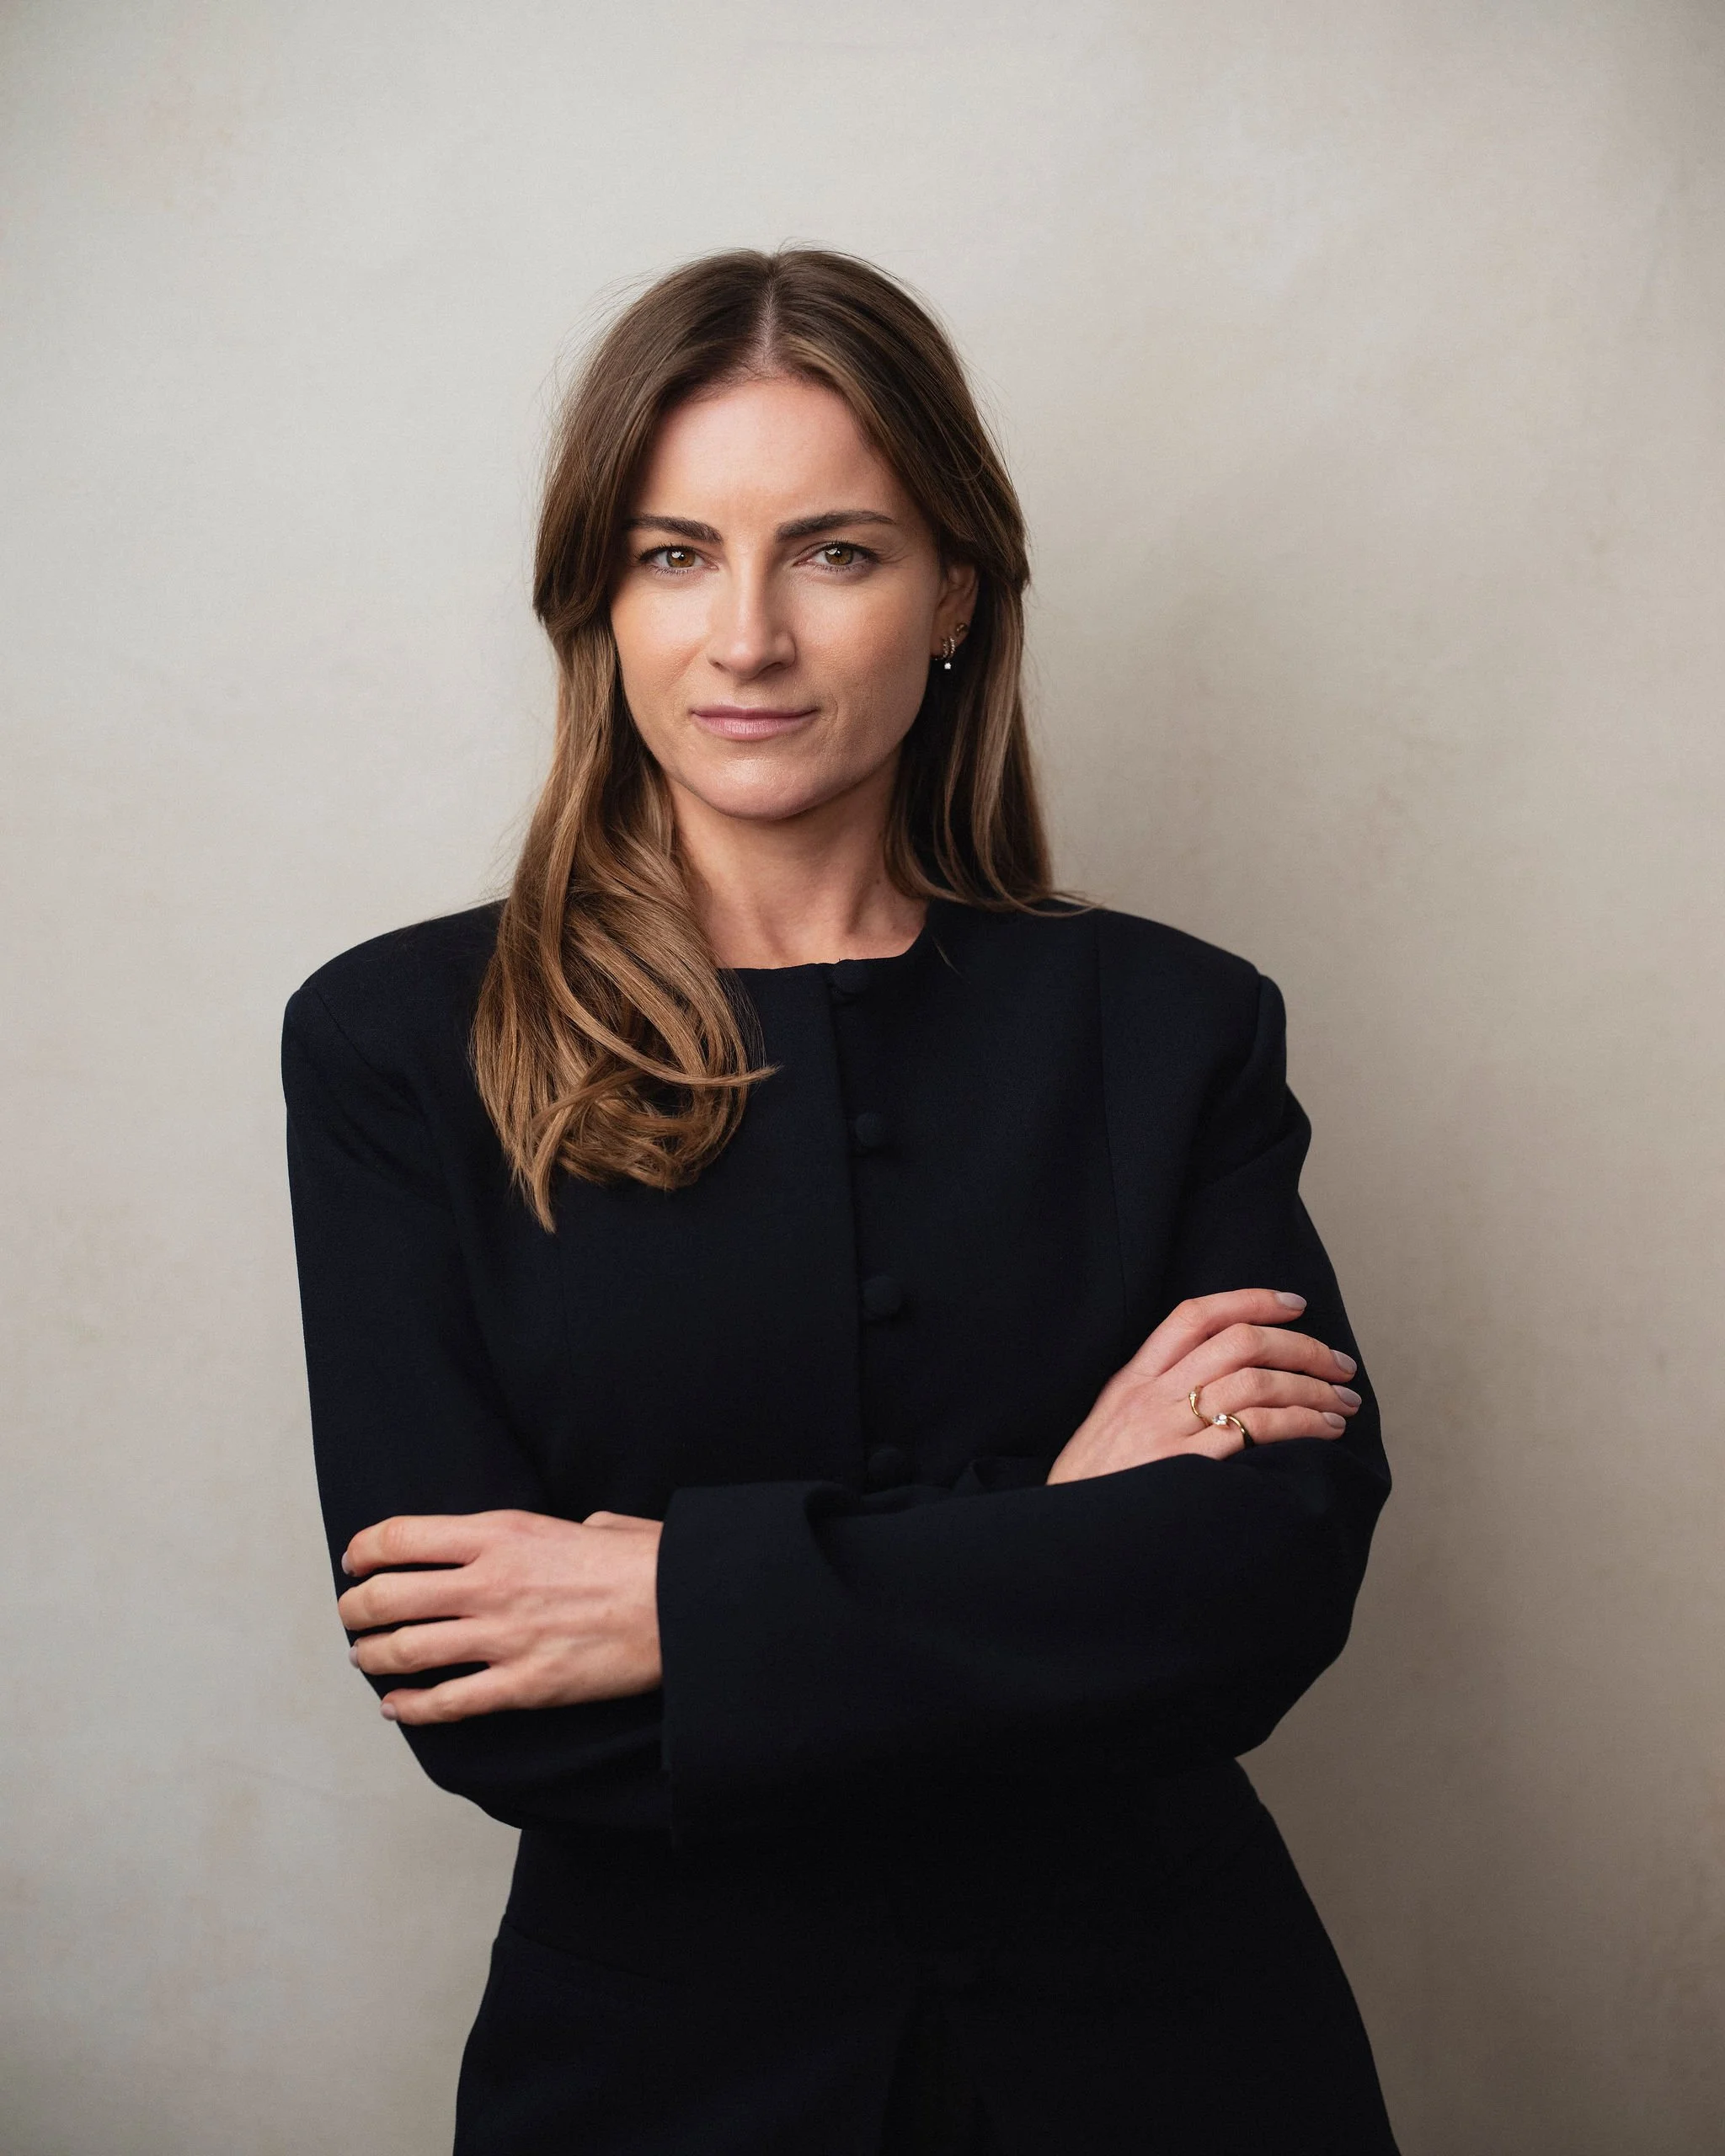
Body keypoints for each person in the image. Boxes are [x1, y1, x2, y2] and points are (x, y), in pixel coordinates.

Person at [282, 247, 1398, 2156]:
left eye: (835, 550)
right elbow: (472, 1678)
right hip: (658, 2093)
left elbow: (1258, 1582)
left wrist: (669, 1597)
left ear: (954, 589)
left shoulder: (1176, 1024)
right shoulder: (402, 1044)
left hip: (1180, 2067)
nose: (746, 640)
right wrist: (1056, 1529)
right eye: (672, 554)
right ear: (598, 605)